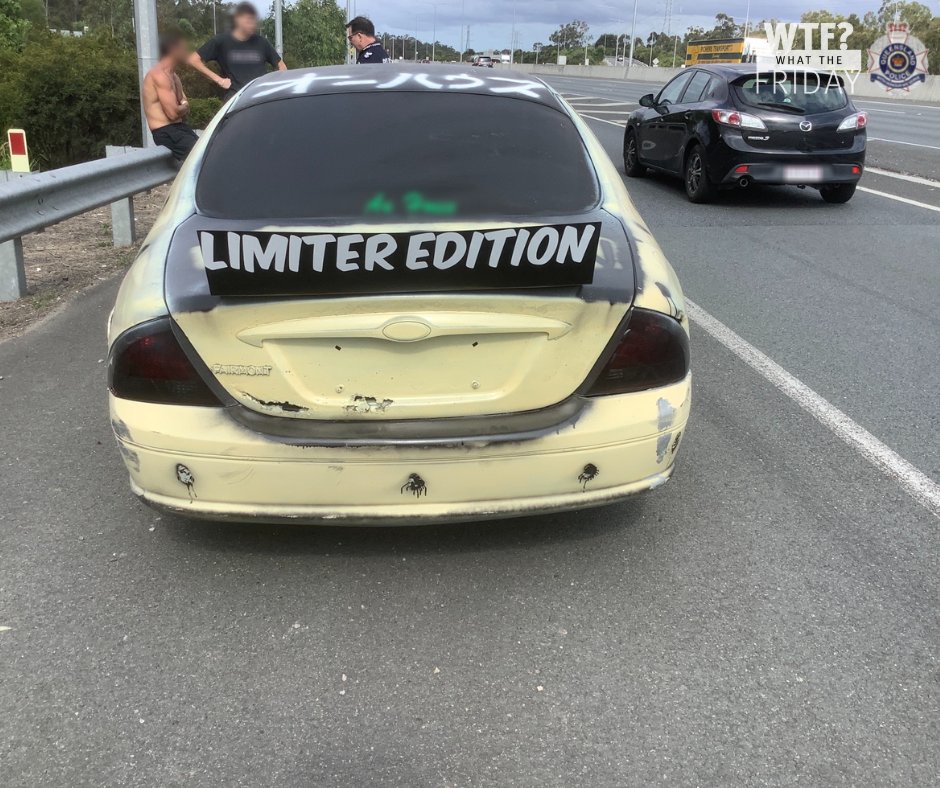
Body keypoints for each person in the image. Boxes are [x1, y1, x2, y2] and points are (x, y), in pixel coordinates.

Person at [189, 2, 286, 98]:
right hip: (236, 100)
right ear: (237, 19)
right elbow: (193, 59)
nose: (252, 24)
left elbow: (281, 65)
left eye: (254, 20)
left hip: (260, 98)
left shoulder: (262, 42)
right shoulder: (221, 41)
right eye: (249, 20)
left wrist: (276, 87)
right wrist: (219, 80)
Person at [143, 32, 199, 161]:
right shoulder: (159, 75)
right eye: (184, 48)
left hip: (180, 128)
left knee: (211, 148)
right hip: (165, 131)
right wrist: (183, 105)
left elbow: (185, 108)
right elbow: (173, 113)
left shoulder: (174, 76)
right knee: (203, 156)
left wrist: (183, 105)